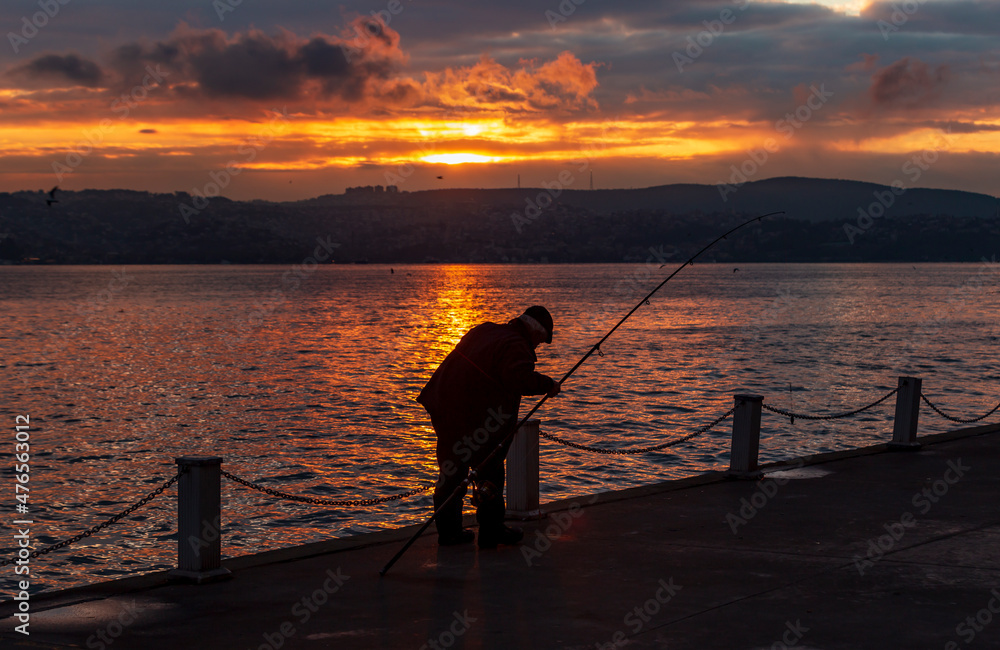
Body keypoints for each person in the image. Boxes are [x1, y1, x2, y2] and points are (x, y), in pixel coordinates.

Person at [418, 305, 561, 548]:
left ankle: (450, 533)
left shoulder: (485, 330)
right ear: (537, 332)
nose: (538, 347)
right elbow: (518, 379)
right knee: (490, 470)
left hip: (443, 405)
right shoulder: (517, 345)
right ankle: (491, 530)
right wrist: (548, 384)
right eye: (541, 341)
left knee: (452, 470)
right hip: (473, 416)